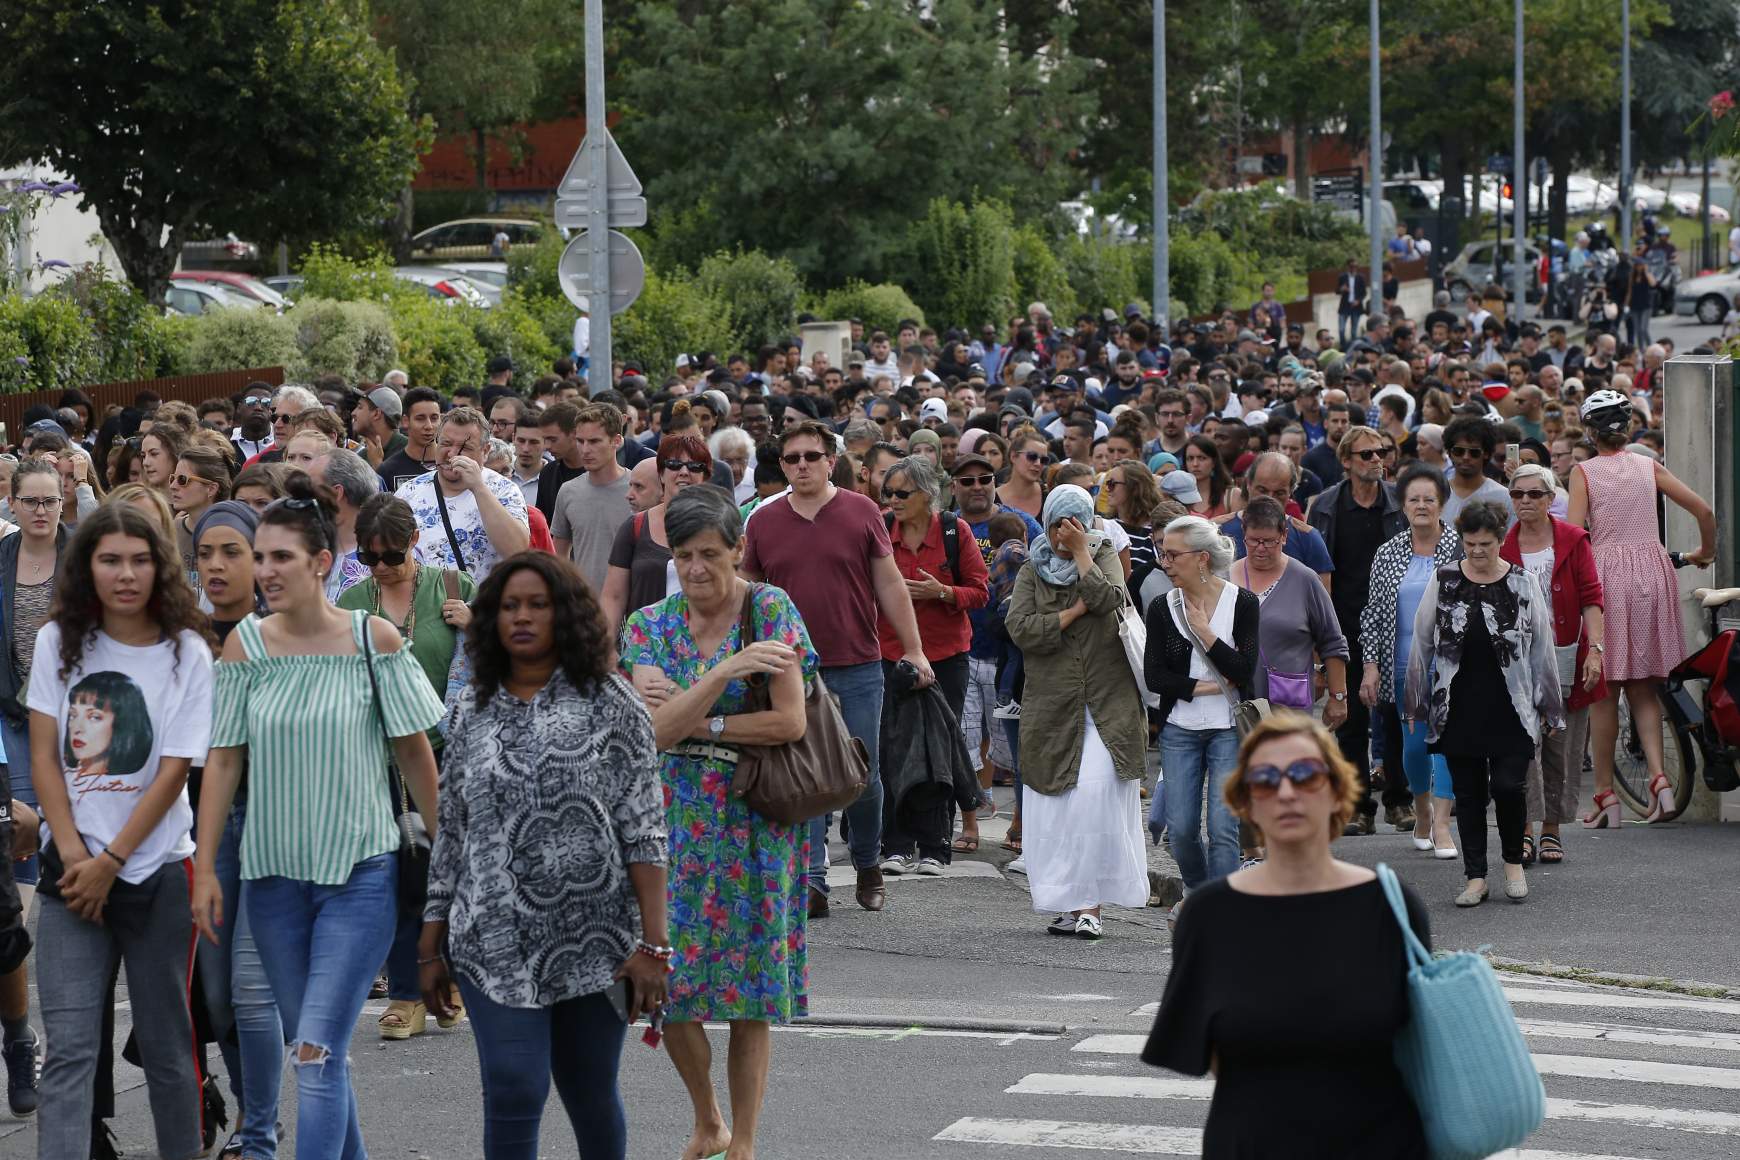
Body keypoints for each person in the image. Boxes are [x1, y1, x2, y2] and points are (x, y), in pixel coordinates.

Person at [192, 475, 445, 1159]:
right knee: (318, 1053)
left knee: (313, 1053)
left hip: (359, 880)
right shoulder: (246, 644)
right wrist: (207, 867)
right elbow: (222, 762)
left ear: (322, 563)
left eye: (281, 558)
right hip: (272, 883)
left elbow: (416, 755)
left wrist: (454, 852)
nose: (266, 571)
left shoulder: (375, 640)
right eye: (261, 557)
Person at [420, 553, 666, 1160]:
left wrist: (654, 946)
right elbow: (451, 831)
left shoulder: (612, 701)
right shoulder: (469, 709)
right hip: (491, 938)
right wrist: (428, 943)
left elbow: (645, 829)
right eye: (509, 606)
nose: (522, 617)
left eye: (538, 604)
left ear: (566, 614)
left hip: (598, 939)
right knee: (513, 1086)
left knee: (589, 1091)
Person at [619, 486, 813, 1160]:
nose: (697, 568)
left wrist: (697, 718)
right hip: (667, 820)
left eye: (710, 554)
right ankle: (707, 1117)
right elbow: (650, 736)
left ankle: (745, 1142)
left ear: (738, 549)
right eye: (683, 554)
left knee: (751, 990)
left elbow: (790, 721)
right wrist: (727, 670)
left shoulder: (771, 609)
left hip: (754, 819)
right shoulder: (647, 624)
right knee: (667, 981)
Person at [1142, 713, 1431, 1159]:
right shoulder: (1209, 915)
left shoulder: (1391, 907)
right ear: (1246, 802)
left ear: (1337, 792)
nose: (1286, 792)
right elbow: (1210, 1053)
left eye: (1305, 775)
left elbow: (1419, 1045)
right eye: (1264, 779)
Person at [28, 503, 214, 1160]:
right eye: (110, 560)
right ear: (87, 567)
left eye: (139, 560)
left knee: (168, 1051)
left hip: (157, 872)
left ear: (159, 566)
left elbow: (173, 774)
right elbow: (45, 754)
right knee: (71, 1052)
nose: (125, 574)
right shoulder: (58, 640)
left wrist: (113, 861)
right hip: (70, 878)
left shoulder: (186, 650)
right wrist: (77, 854)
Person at [741, 421, 933, 917]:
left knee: (860, 774)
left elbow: (889, 585)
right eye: (791, 459)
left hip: (858, 662)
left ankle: (868, 861)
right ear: (781, 466)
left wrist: (913, 649)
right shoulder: (762, 521)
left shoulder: (862, 510)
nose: (801, 465)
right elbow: (748, 596)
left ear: (832, 461)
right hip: (789, 669)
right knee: (807, 776)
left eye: (811, 456)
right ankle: (813, 881)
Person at [336, 494, 476, 1041]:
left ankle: (449, 980)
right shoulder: (352, 599)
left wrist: (477, 624)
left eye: (390, 556)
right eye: (369, 558)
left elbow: (512, 657)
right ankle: (405, 993)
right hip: (380, 756)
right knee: (398, 875)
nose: (380, 568)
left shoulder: (456, 586)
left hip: (450, 751)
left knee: (449, 872)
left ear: (415, 540)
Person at [1005, 485, 1148, 939]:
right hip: (1053, 707)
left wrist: (1084, 554)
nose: (1065, 534)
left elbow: (1108, 601)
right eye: (1058, 525)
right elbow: (1021, 629)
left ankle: (1093, 905)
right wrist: (1071, 615)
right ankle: (1070, 903)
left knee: (1094, 800)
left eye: (1076, 524)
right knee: (1060, 808)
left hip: (1108, 705)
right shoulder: (1032, 568)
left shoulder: (1102, 555)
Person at [1404, 501, 1564, 906]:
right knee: (1469, 794)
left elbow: (1543, 649)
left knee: (1510, 786)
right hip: (1458, 704)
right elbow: (1420, 644)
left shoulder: (1523, 583)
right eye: (1470, 543)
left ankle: (1512, 861)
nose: (1477, 551)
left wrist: (1551, 708)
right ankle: (1476, 876)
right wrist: (1414, 703)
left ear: (1500, 540)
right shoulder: (1444, 580)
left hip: (1512, 706)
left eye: (1486, 544)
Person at [1567, 389, 1715, 826]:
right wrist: (1705, 551)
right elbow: (1703, 510)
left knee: (1605, 691)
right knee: (1645, 687)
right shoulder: (1647, 465)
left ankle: (1605, 796)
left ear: (1591, 432)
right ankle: (1660, 782)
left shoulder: (1584, 472)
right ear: (1626, 427)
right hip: (1652, 571)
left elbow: (1576, 537)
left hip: (1607, 575)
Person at [189, 500, 285, 1159]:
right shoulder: (182, 638)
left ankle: (259, 1137)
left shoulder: (286, 635)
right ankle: (257, 1115)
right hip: (209, 829)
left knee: (253, 996)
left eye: (233, 552)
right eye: (206, 554)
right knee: (217, 1001)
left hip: (277, 826)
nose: (218, 566)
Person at [875, 455, 988, 871]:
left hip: (946, 657)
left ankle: (936, 846)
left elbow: (980, 592)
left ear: (928, 495)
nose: (893, 501)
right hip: (889, 655)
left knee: (939, 750)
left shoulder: (956, 533)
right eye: (888, 493)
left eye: (902, 493)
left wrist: (941, 593)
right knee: (893, 748)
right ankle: (897, 845)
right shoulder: (882, 531)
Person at [1144, 515, 1260, 908]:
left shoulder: (1242, 603)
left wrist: (1206, 633)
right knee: (1181, 828)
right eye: (1163, 554)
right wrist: (1205, 686)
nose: (1165, 562)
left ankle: (1221, 906)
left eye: (1173, 555)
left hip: (1228, 727)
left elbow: (1244, 670)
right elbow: (1155, 675)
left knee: (1223, 827)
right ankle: (1196, 888)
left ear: (1202, 559)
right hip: (1179, 727)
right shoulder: (1163, 607)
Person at [1501, 463, 1605, 865]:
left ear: (1549, 499)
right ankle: (1525, 827)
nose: (1525, 501)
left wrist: (1595, 649)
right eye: (1517, 494)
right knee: (1523, 746)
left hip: (1566, 653)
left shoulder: (1574, 539)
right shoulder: (1501, 544)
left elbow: (1592, 597)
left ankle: (1552, 829)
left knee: (1562, 746)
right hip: (1516, 659)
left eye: (1533, 494)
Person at [0, 460, 63, 1117]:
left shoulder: (83, 556)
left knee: (43, 816)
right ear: (12, 503)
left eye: (50, 500)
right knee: (17, 827)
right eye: (31, 501)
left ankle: (20, 1041)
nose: (42, 511)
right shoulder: (1, 559)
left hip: (72, 710)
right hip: (7, 712)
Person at [1307, 425, 1407, 836]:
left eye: (1381, 452)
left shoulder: (1398, 502)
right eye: (1366, 454)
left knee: (1396, 715)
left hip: (1392, 623)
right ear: (1346, 461)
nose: (1376, 460)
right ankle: (1358, 804)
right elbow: (1316, 569)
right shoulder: (1326, 506)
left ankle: (1399, 801)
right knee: (1347, 720)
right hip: (1343, 626)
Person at [1359, 464, 1462, 858]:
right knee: (1416, 746)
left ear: (1442, 504)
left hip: (1453, 663)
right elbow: (1371, 614)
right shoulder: (1387, 553)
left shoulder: (1460, 546)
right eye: (1414, 499)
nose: (1421, 506)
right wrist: (1371, 665)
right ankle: (1421, 808)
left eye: (1429, 499)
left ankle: (1441, 823)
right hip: (1404, 664)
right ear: (1402, 505)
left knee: (1448, 743)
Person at [1232, 497, 1348, 727]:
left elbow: (1332, 641)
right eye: (1253, 541)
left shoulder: (1305, 579)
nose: (1261, 548)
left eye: (1270, 541)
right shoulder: (1227, 576)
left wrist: (1338, 697)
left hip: (1288, 707)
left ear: (1284, 535)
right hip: (1235, 706)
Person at [396, 406, 530, 583]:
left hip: (482, 607)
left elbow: (517, 550)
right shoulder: (408, 492)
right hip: (424, 607)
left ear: (485, 450)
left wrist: (478, 488)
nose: (452, 454)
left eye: (465, 447)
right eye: (445, 444)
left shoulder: (504, 490)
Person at [599, 434, 714, 630]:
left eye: (694, 466)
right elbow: (613, 596)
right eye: (674, 464)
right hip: (644, 648)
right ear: (661, 474)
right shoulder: (635, 526)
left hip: (704, 650)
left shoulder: (721, 527)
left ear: (705, 476)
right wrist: (606, 650)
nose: (684, 472)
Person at [549, 403, 630, 593]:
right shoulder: (568, 491)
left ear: (616, 441)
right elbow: (559, 555)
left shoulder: (638, 489)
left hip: (632, 609)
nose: (585, 450)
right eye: (580, 441)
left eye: (594, 441)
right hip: (583, 606)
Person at [167, 445, 231, 579]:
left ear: (211, 489)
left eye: (182, 480)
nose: (173, 486)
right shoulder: (171, 531)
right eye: (172, 478)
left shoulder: (232, 534)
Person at [1440, 416, 1513, 525]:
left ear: (1486, 454)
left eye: (1474, 453)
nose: (1465, 457)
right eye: (1458, 451)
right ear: (1449, 453)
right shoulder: (1435, 493)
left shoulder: (1504, 497)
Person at [1182, 435, 1238, 519]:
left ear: (1214, 462)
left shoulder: (1232, 496)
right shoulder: (1176, 497)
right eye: (1190, 458)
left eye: (1201, 458)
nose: (1195, 464)